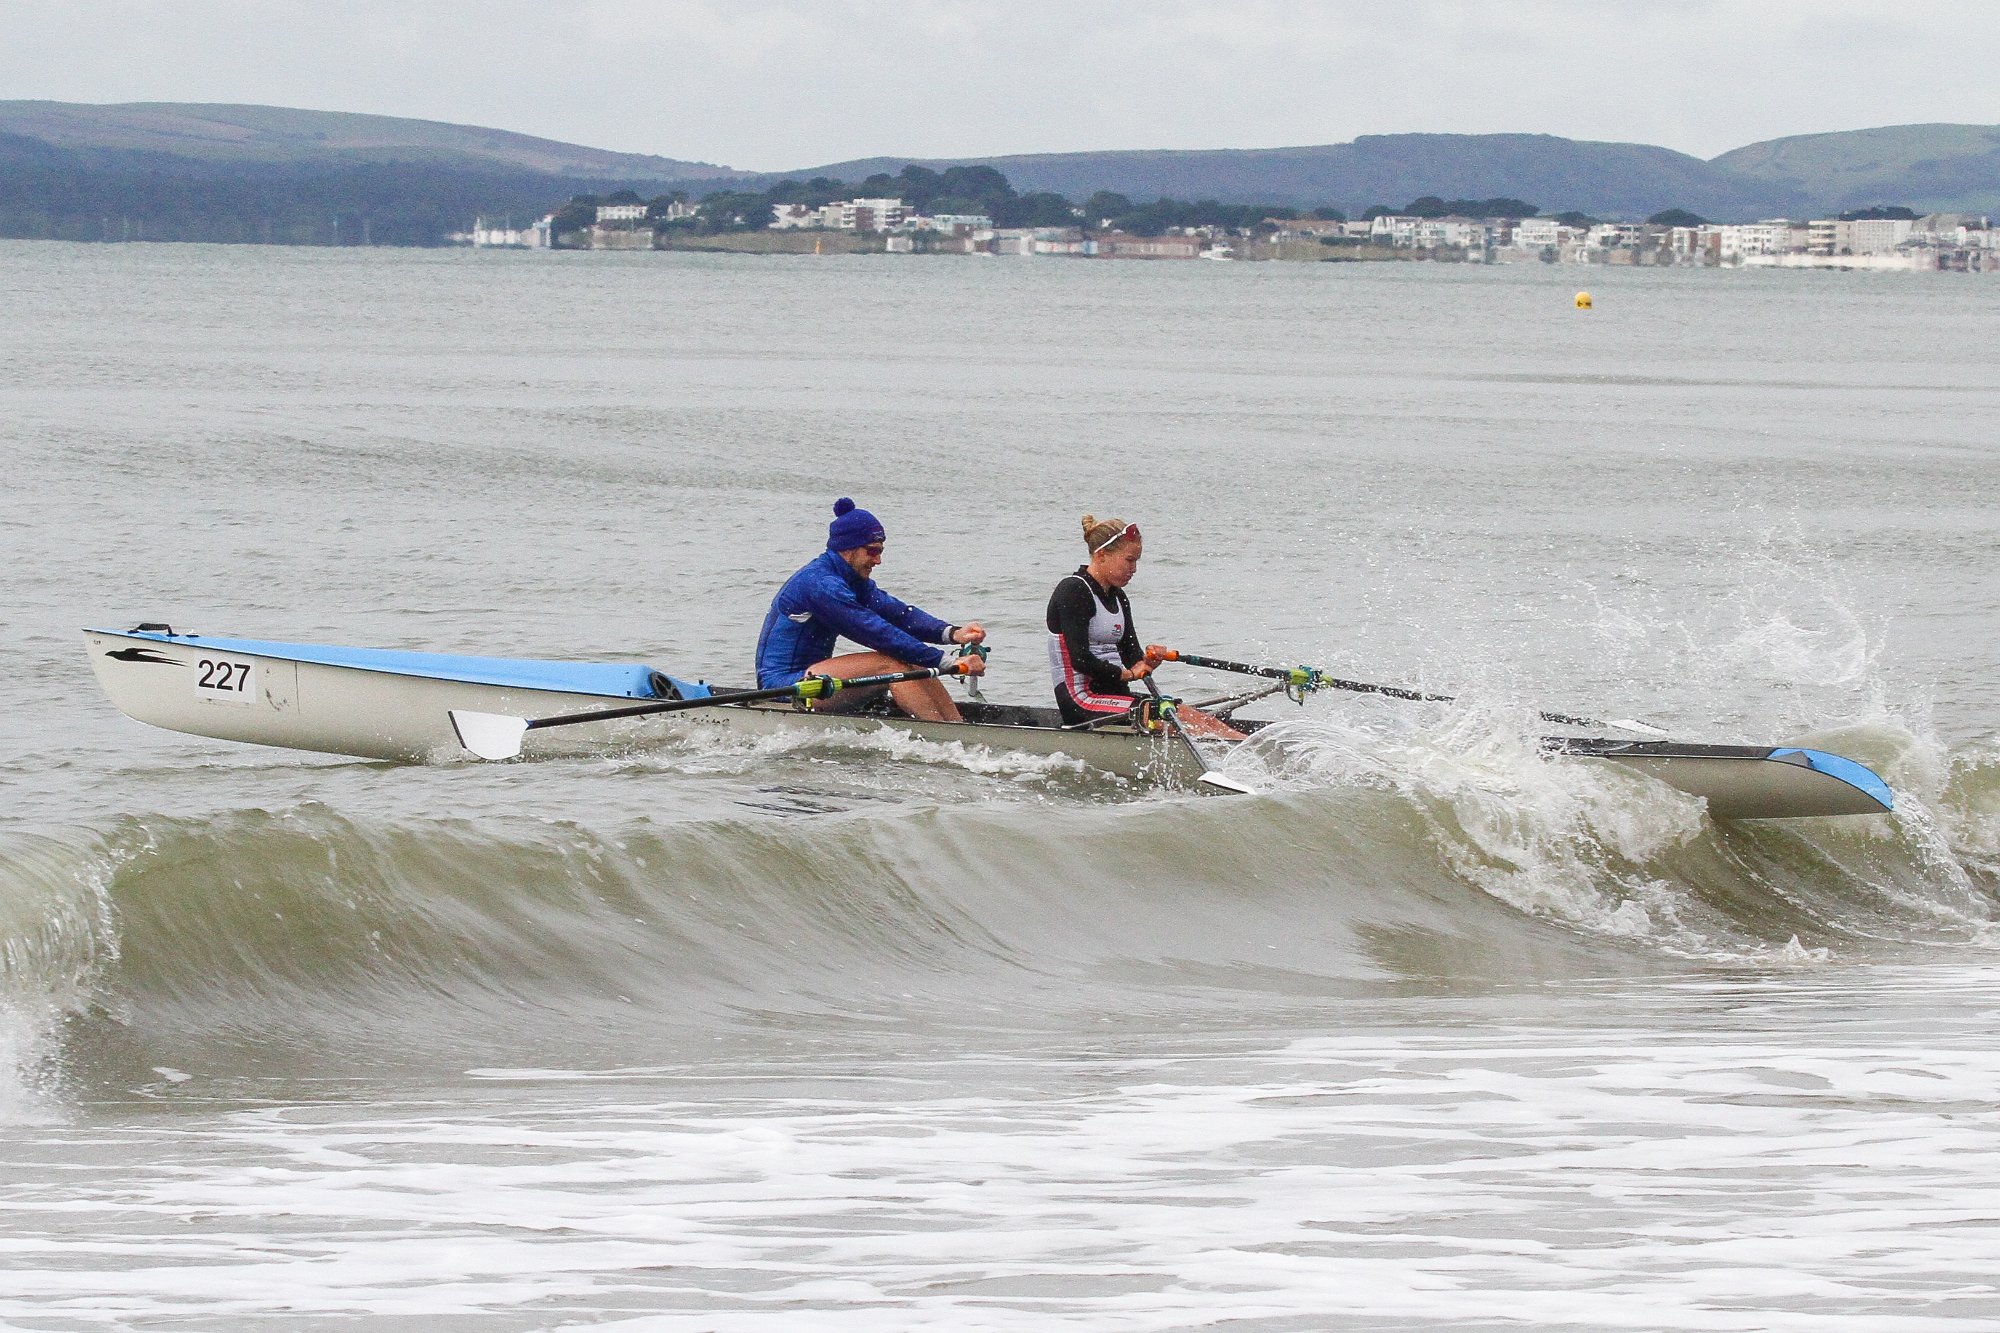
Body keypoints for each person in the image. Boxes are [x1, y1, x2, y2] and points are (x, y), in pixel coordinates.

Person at [755, 498, 986, 722]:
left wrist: (952, 633)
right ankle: (945, 737)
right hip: (785, 687)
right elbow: (874, 632)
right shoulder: (820, 584)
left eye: (881, 552)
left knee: (913, 662)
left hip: (818, 678)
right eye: (872, 551)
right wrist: (945, 661)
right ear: (848, 549)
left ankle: (956, 727)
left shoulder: (850, 579)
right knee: (890, 663)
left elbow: (897, 614)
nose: (878, 560)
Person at [1046, 514, 1243, 739]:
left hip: (1116, 697)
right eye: (1129, 560)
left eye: (1136, 561)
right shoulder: (1073, 591)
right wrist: (1128, 674)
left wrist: (1148, 662)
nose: (1134, 569)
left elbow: (1133, 659)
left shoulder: (1119, 597)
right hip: (1081, 701)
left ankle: (1249, 750)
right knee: (1184, 730)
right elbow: (1080, 659)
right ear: (1101, 555)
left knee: (1203, 720)